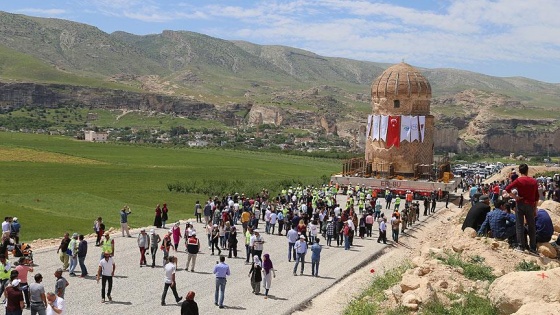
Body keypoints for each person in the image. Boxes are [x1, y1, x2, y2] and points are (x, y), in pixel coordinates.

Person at [505, 164, 539, 254]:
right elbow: (536, 197)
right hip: (530, 205)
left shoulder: (518, 180)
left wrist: (515, 197)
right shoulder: (534, 181)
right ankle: (533, 248)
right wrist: (535, 209)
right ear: (527, 171)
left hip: (520, 204)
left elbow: (507, 189)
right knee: (532, 227)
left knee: (519, 225)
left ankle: (521, 246)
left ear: (519, 171)